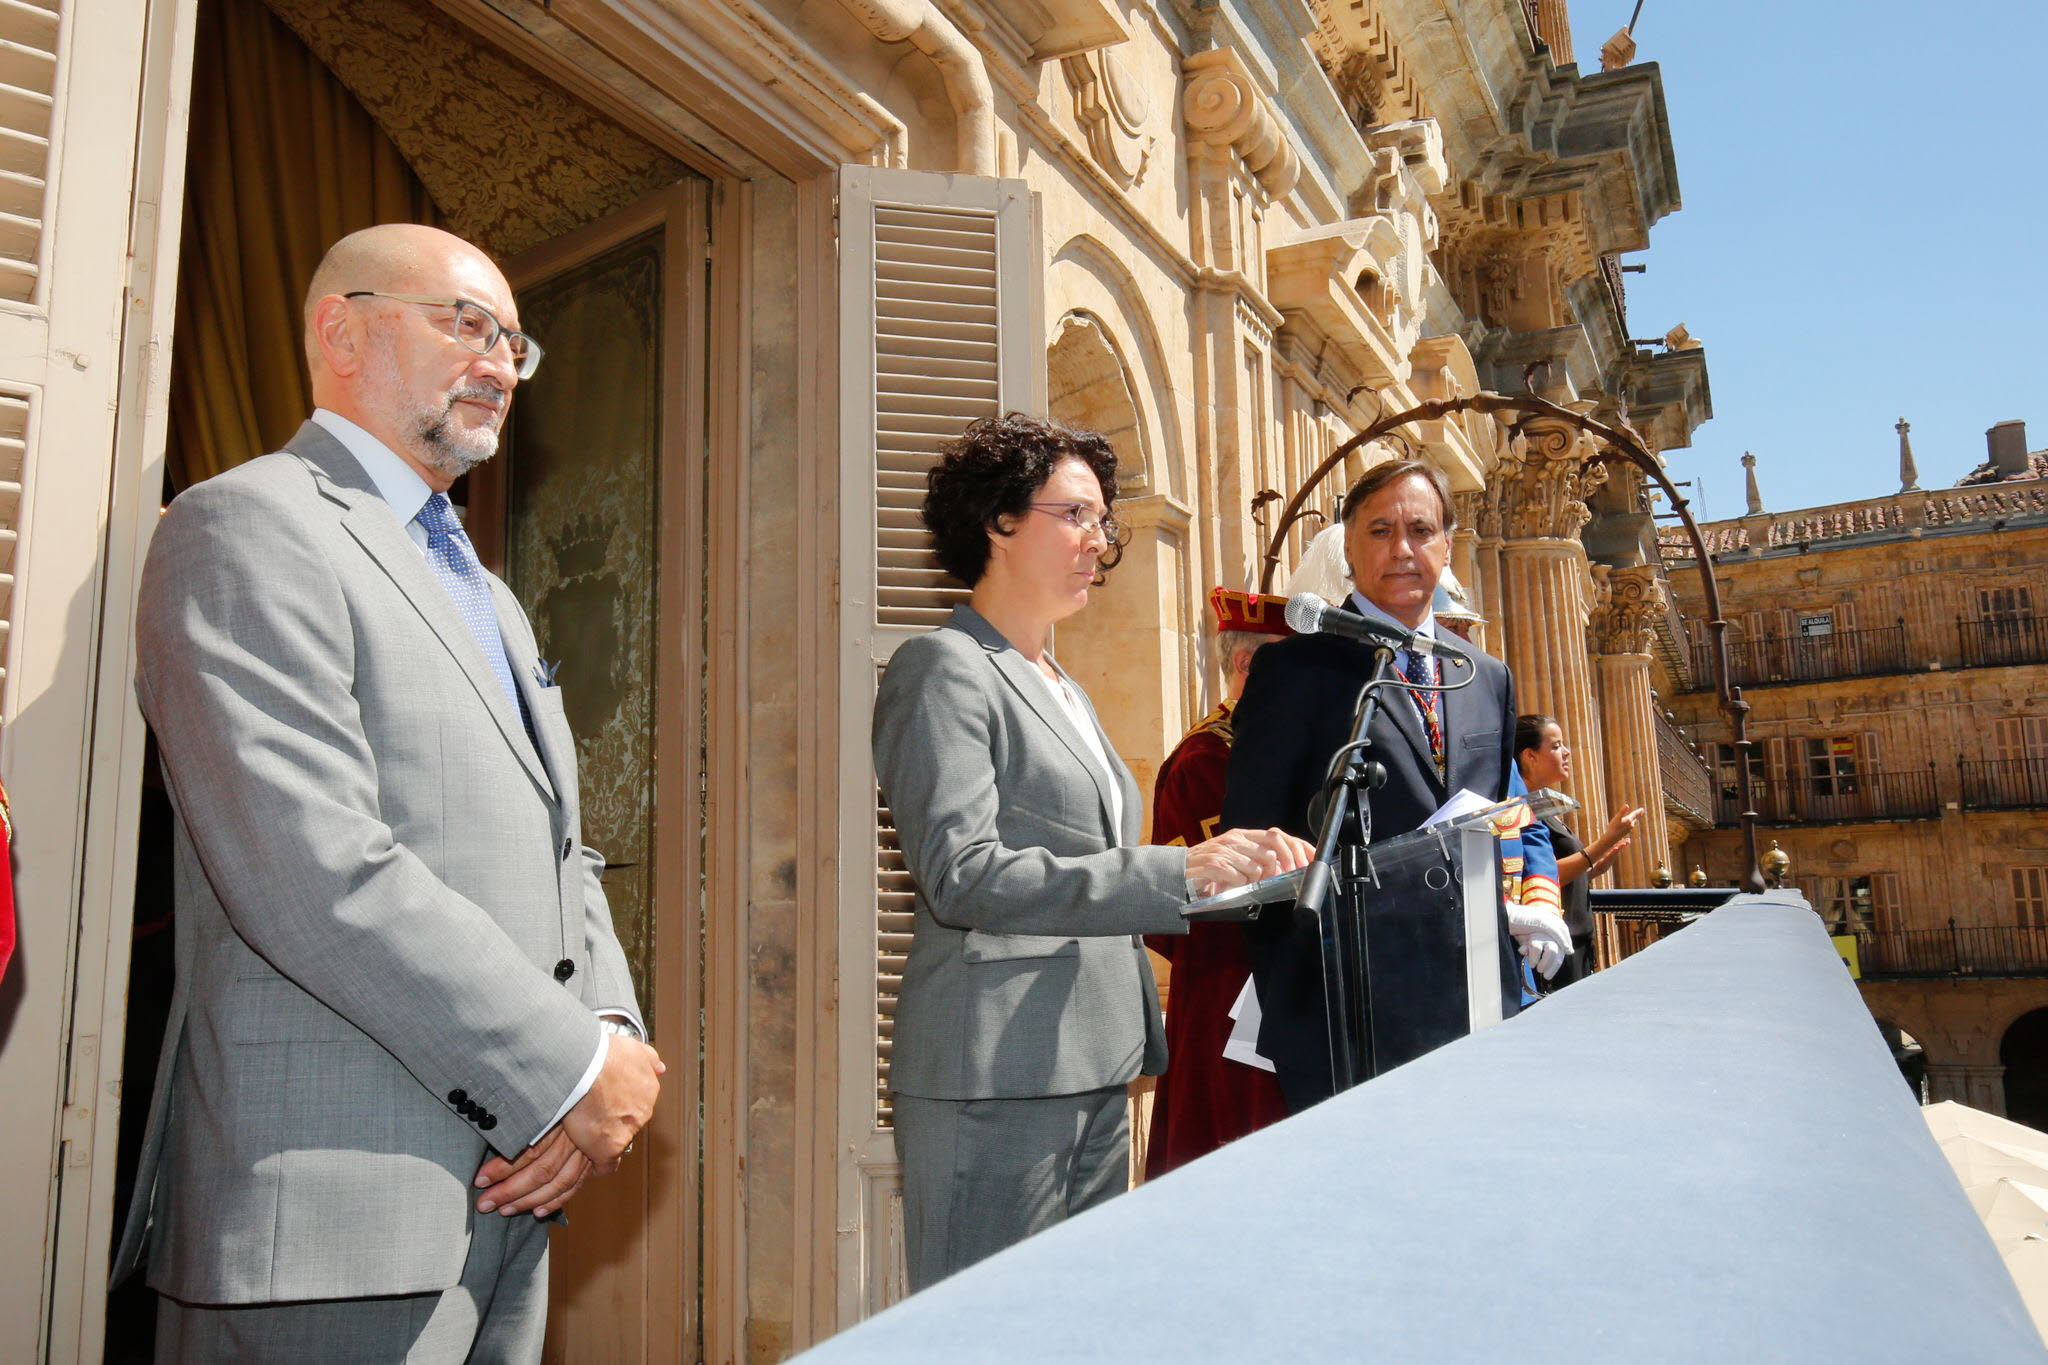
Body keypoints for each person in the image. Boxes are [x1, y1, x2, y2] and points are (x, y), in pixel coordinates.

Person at [115, 224, 662, 1362]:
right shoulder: (246, 526)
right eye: (467, 323)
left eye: (515, 341)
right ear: (340, 328)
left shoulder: (491, 598)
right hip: (326, 1218)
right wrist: (558, 1071)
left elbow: (567, 856)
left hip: (507, 1197)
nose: (501, 362)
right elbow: (308, 867)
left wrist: (602, 1033)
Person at [873, 413, 1310, 1291]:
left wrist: (1238, 867)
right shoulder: (943, 666)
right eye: (1076, 515)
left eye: (1105, 522)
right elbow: (961, 873)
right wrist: (1176, 871)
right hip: (994, 1072)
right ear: (998, 520)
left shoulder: (1063, 685)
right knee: (988, 1335)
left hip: (1097, 1062)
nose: (1099, 543)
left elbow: (1092, 867)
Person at [1222, 458, 1557, 1113]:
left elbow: (1510, 810)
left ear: (1447, 546)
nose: (1402, 548)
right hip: (1348, 1013)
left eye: (1420, 528)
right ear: (1348, 548)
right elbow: (1252, 839)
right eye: (1379, 530)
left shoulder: (1486, 676)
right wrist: (1301, 992)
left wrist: (1536, 901)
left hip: (1480, 993)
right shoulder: (1294, 669)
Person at [1142, 588, 1293, 1179]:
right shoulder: (1204, 759)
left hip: (1285, 987)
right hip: (1228, 994)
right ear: (1246, 665)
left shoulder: (1281, 749)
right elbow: (1177, 906)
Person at [1515, 714, 1645, 988]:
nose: (1567, 752)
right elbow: (1540, 878)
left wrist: (1595, 865)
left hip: (1575, 939)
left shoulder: (1544, 809)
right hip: (1552, 945)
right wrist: (1605, 842)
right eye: (1555, 746)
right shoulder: (1522, 811)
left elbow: (1558, 870)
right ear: (1530, 756)